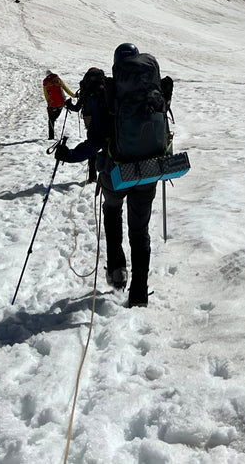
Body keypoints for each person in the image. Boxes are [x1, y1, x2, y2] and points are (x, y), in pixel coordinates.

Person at [55, 42, 165, 308]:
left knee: (113, 211)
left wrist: (68, 155)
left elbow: (94, 143)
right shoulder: (151, 89)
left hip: (117, 171)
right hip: (149, 171)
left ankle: (117, 272)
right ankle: (139, 293)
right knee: (140, 232)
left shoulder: (107, 92)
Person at [41, 71, 71, 140]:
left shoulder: (45, 83)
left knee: (51, 120)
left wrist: (48, 103)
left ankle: (51, 137)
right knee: (54, 118)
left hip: (52, 104)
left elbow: (46, 95)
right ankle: (53, 121)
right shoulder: (58, 80)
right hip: (61, 103)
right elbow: (66, 89)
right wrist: (74, 95)